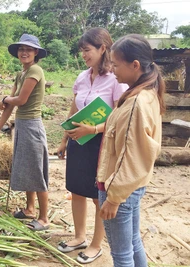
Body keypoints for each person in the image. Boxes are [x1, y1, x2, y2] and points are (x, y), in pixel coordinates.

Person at [56, 27, 127, 264]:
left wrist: (94, 129)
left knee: (98, 195)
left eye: (87, 50)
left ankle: (96, 244)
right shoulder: (81, 77)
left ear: (102, 48)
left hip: (101, 144)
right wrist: (65, 138)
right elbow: (75, 108)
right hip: (78, 140)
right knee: (76, 189)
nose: (83, 55)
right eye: (82, 51)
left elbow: (120, 117)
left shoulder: (116, 80)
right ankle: (79, 237)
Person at [97, 34, 165, 267]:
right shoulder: (146, 94)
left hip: (121, 189)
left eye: (116, 64)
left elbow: (130, 156)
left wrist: (113, 198)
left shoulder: (136, 102)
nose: (112, 69)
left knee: (122, 254)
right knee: (134, 242)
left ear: (135, 65)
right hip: (133, 186)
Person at [0, 33, 50, 231]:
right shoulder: (21, 73)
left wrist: (6, 98)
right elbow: (10, 104)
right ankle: (30, 209)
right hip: (22, 125)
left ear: (36, 53)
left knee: (37, 171)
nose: (24, 52)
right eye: (21, 49)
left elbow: (20, 100)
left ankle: (43, 218)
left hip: (32, 126)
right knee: (27, 169)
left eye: (28, 49)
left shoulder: (35, 70)